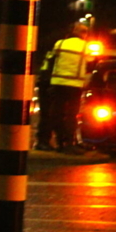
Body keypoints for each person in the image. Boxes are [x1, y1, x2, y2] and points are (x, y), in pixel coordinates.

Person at [49, 23, 91, 153]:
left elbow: (52, 58)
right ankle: (69, 143)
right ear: (84, 34)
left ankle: (58, 142)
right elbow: (90, 62)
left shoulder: (60, 43)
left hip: (57, 83)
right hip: (74, 85)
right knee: (72, 115)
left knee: (57, 113)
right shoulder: (85, 47)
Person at [33, 42, 57, 150]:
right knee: (48, 115)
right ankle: (43, 142)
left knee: (46, 115)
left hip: (44, 83)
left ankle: (43, 141)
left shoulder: (52, 52)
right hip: (48, 84)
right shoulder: (59, 54)